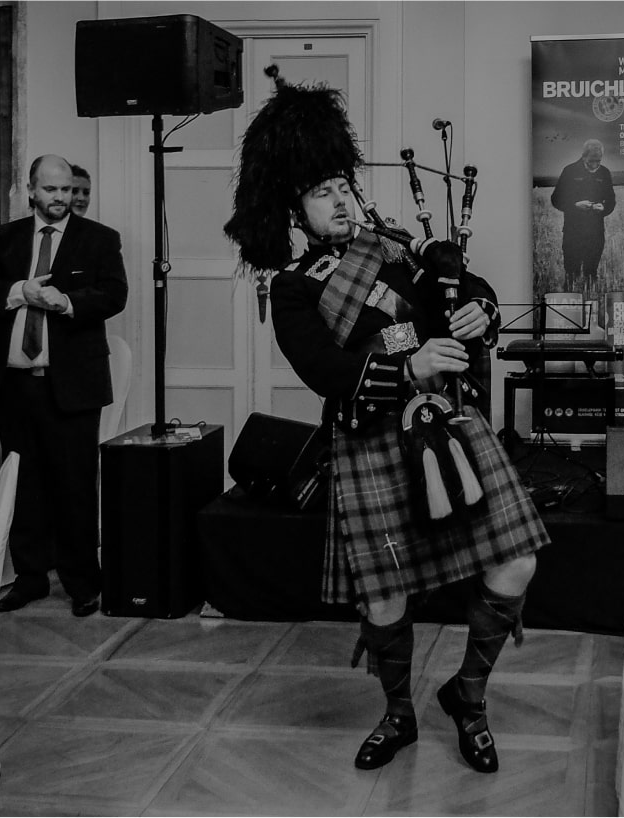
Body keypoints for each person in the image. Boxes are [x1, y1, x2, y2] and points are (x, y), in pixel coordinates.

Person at [223, 68, 549, 774]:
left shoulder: (394, 245)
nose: (340, 200)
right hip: (369, 440)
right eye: (321, 191)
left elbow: (457, 289)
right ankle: (398, 712)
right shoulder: (290, 290)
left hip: (447, 427)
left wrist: (478, 312)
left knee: (516, 558)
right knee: (381, 596)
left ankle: (467, 695)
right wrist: (409, 366)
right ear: (292, 208)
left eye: (342, 185)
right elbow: (325, 373)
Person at [0, 154, 128, 616]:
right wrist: (22, 292)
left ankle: (83, 584)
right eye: (51, 190)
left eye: (67, 190)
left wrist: (66, 303)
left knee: (74, 486)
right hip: (16, 384)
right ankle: (31, 578)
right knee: (24, 485)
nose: (60, 198)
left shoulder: (98, 239)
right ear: (31, 189)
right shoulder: (5, 238)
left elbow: (114, 294)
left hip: (72, 386)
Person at [550, 139, 616, 294]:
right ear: (583, 157)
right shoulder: (569, 171)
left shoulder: (604, 173)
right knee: (571, 273)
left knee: (591, 273)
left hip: (596, 232)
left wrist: (603, 208)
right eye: (591, 161)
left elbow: (611, 201)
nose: (595, 165)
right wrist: (574, 205)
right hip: (573, 231)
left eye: (598, 161)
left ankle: (591, 301)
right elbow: (556, 199)